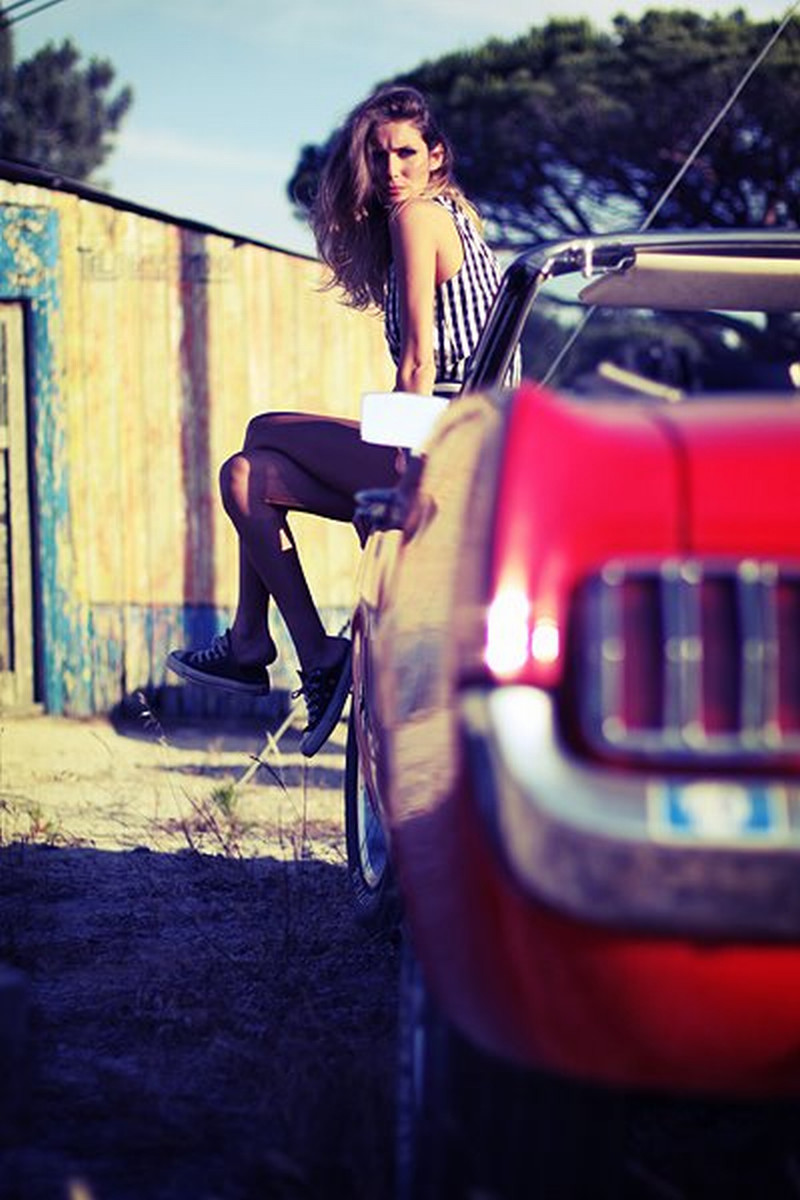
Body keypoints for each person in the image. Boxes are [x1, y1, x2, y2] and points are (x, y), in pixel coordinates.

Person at [166, 84, 510, 756]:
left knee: (263, 428)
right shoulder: (450, 221)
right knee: (245, 476)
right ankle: (304, 652)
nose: (392, 170)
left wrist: (406, 477)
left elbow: (419, 361)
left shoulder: (419, 217)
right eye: (378, 156)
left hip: (452, 448)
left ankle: (250, 640)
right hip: (468, 444)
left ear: (436, 156)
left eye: (406, 153)